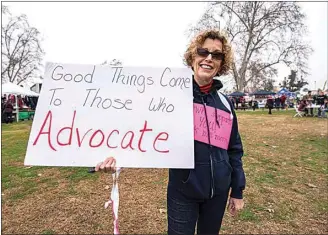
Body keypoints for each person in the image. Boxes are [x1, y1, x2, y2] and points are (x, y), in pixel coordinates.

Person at [95, 29, 246, 235]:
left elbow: (234, 150)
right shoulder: (170, 99)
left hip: (218, 193)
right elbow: (138, 133)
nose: (209, 58)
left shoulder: (225, 104)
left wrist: (237, 190)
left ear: (221, 63)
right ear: (193, 56)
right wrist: (113, 158)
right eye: (203, 52)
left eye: (217, 54)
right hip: (182, 192)